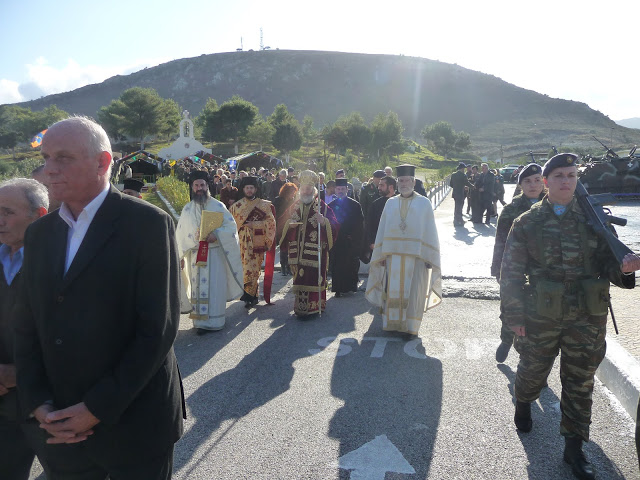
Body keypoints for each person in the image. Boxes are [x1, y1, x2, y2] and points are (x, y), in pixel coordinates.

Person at [14, 116, 185, 479]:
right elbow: (26, 324)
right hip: (59, 424)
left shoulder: (147, 225)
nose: (49, 169)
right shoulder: (40, 234)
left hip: (133, 422)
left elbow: (157, 328)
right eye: (47, 157)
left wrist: (95, 407)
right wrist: (38, 404)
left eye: (63, 157)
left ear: (103, 162)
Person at [500, 153, 640, 480]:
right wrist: (515, 317)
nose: (567, 181)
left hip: (587, 315)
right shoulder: (527, 222)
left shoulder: (593, 219)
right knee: (533, 370)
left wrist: (625, 270)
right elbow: (511, 274)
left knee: (580, 382)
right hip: (541, 313)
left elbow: (609, 263)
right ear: (546, 183)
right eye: (560, 175)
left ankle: (574, 448)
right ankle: (524, 399)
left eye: (572, 175)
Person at [0, 178, 48, 480]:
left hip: (48, 405)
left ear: (39, 215)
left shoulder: (62, 264)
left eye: (7, 212)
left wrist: (20, 372)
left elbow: (79, 334)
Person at [365, 164, 442, 335]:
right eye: (401, 180)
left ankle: (410, 328)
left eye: (407, 180)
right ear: (397, 183)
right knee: (392, 292)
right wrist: (382, 253)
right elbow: (382, 231)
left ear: (414, 182)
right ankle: (392, 324)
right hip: (393, 258)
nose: (404, 183)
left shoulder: (424, 204)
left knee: (414, 293)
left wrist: (429, 257)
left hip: (417, 259)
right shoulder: (390, 204)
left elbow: (430, 231)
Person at [176, 171, 244, 334]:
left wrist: (217, 235)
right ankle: (199, 323)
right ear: (192, 187)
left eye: (203, 185)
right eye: (197, 185)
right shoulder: (187, 209)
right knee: (197, 287)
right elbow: (180, 234)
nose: (200, 188)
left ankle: (215, 321)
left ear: (208, 186)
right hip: (195, 256)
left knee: (214, 287)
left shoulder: (218, 206)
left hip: (215, 256)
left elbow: (231, 228)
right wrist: (180, 256)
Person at [490, 164, 545, 362]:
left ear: (544, 182)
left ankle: (532, 369)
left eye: (537, 180)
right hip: (515, 270)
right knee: (511, 309)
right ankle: (506, 340)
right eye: (528, 181)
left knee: (538, 319)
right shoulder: (511, 210)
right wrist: (498, 270)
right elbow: (500, 242)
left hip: (542, 274)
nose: (533, 185)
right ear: (521, 184)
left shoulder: (554, 206)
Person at [279, 170, 338, 317]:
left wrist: (324, 221)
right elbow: (281, 223)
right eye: (304, 188)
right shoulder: (294, 205)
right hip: (297, 251)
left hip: (315, 251)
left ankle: (316, 306)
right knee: (299, 278)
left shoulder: (322, 206)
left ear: (314, 190)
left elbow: (336, 225)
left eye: (309, 189)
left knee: (313, 279)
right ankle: (300, 307)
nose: (306, 191)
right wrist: (289, 225)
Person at [229, 177, 276, 308]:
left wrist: (254, 224)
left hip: (257, 240)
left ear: (255, 189)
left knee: (254, 268)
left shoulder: (264, 205)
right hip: (242, 243)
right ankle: (250, 295)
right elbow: (229, 225)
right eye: (247, 188)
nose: (249, 190)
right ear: (243, 189)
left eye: (251, 188)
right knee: (244, 267)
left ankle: (251, 295)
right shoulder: (236, 207)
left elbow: (271, 223)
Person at [328, 178, 364, 296]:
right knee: (336, 265)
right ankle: (337, 289)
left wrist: (354, 238)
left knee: (350, 265)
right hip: (336, 241)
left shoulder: (355, 205)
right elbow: (327, 223)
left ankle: (351, 287)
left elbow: (360, 223)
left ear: (347, 189)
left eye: (343, 189)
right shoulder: (330, 206)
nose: (340, 191)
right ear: (335, 190)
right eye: (338, 189)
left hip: (350, 241)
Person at [363, 176, 396, 263]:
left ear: (391, 187)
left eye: (382, 185)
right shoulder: (376, 204)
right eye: (379, 185)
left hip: (396, 246)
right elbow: (369, 225)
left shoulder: (399, 203)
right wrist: (371, 243)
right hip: (378, 245)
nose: (379, 188)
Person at [273, 182, 298, 276]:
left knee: (290, 246)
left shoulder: (293, 201)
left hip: (291, 226)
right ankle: (283, 266)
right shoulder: (278, 200)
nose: (293, 194)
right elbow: (274, 214)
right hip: (280, 226)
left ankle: (289, 266)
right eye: (291, 192)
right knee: (283, 246)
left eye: (294, 192)